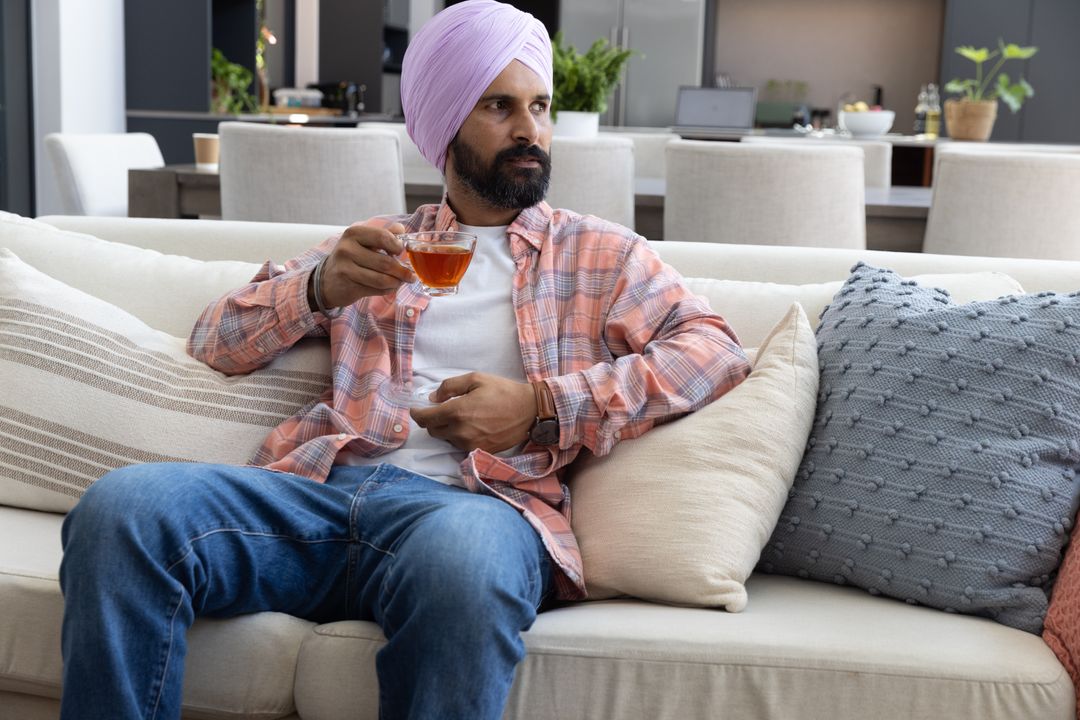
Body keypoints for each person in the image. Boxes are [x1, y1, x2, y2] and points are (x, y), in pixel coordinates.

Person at [57, 1, 750, 718]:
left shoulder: (600, 255)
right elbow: (215, 340)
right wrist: (316, 290)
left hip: (473, 511)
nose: (530, 130)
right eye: (499, 106)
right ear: (445, 125)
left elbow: (714, 351)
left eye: (539, 107)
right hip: (317, 497)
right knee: (123, 509)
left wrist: (542, 406)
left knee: (463, 562)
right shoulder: (379, 243)